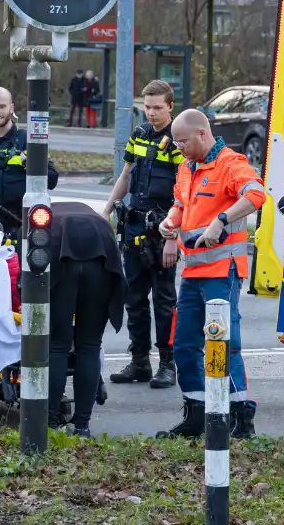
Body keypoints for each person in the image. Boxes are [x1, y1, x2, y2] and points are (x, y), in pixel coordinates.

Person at [156, 109, 265, 439]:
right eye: (175, 143)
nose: (179, 148)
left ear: (202, 134)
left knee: (224, 342)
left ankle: (240, 417)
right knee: (184, 344)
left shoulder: (231, 164)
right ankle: (196, 411)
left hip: (222, 271)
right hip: (192, 271)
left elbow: (256, 195)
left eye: (183, 142)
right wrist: (170, 223)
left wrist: (221, 220)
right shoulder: (186, 167)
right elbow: (180, 202)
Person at [103, 80, 183, 388]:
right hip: (134, 227)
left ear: (170, 107)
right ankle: (139, 362)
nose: (151, 113)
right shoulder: (138, 135)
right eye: (147, 107)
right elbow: (126, 175)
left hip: (163, 229)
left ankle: (167, 363)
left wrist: (173, 236)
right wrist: (107, 208)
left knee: (163, 300)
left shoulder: (178, 141)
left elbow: (184, 192)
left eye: (157, 108)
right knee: (134, 299)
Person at [47, 201, 126, 437]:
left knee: (58, 346)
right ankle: (82, 425)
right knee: (90, 346)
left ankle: (50, 423)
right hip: (101, 259)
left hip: (61, 260)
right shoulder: (94, 218)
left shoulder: (39, 219)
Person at [0, 86, 59, 238]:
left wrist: (29, 164)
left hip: (22, 226)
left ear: (11, 107)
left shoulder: (28, 141)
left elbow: (52, 179)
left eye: (2, 106)